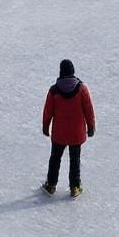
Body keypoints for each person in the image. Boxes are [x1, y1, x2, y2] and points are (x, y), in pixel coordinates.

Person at [41, 58, 96, 197]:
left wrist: (46, 127)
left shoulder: (54, 90)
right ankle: (75, 187)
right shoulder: (81, 89)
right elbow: (88, 110)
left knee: (55, 158)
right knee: (75, 160)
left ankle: (51, 185)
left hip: (59, 133)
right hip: (76, 133)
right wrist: (91, 126)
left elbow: (48, 112)